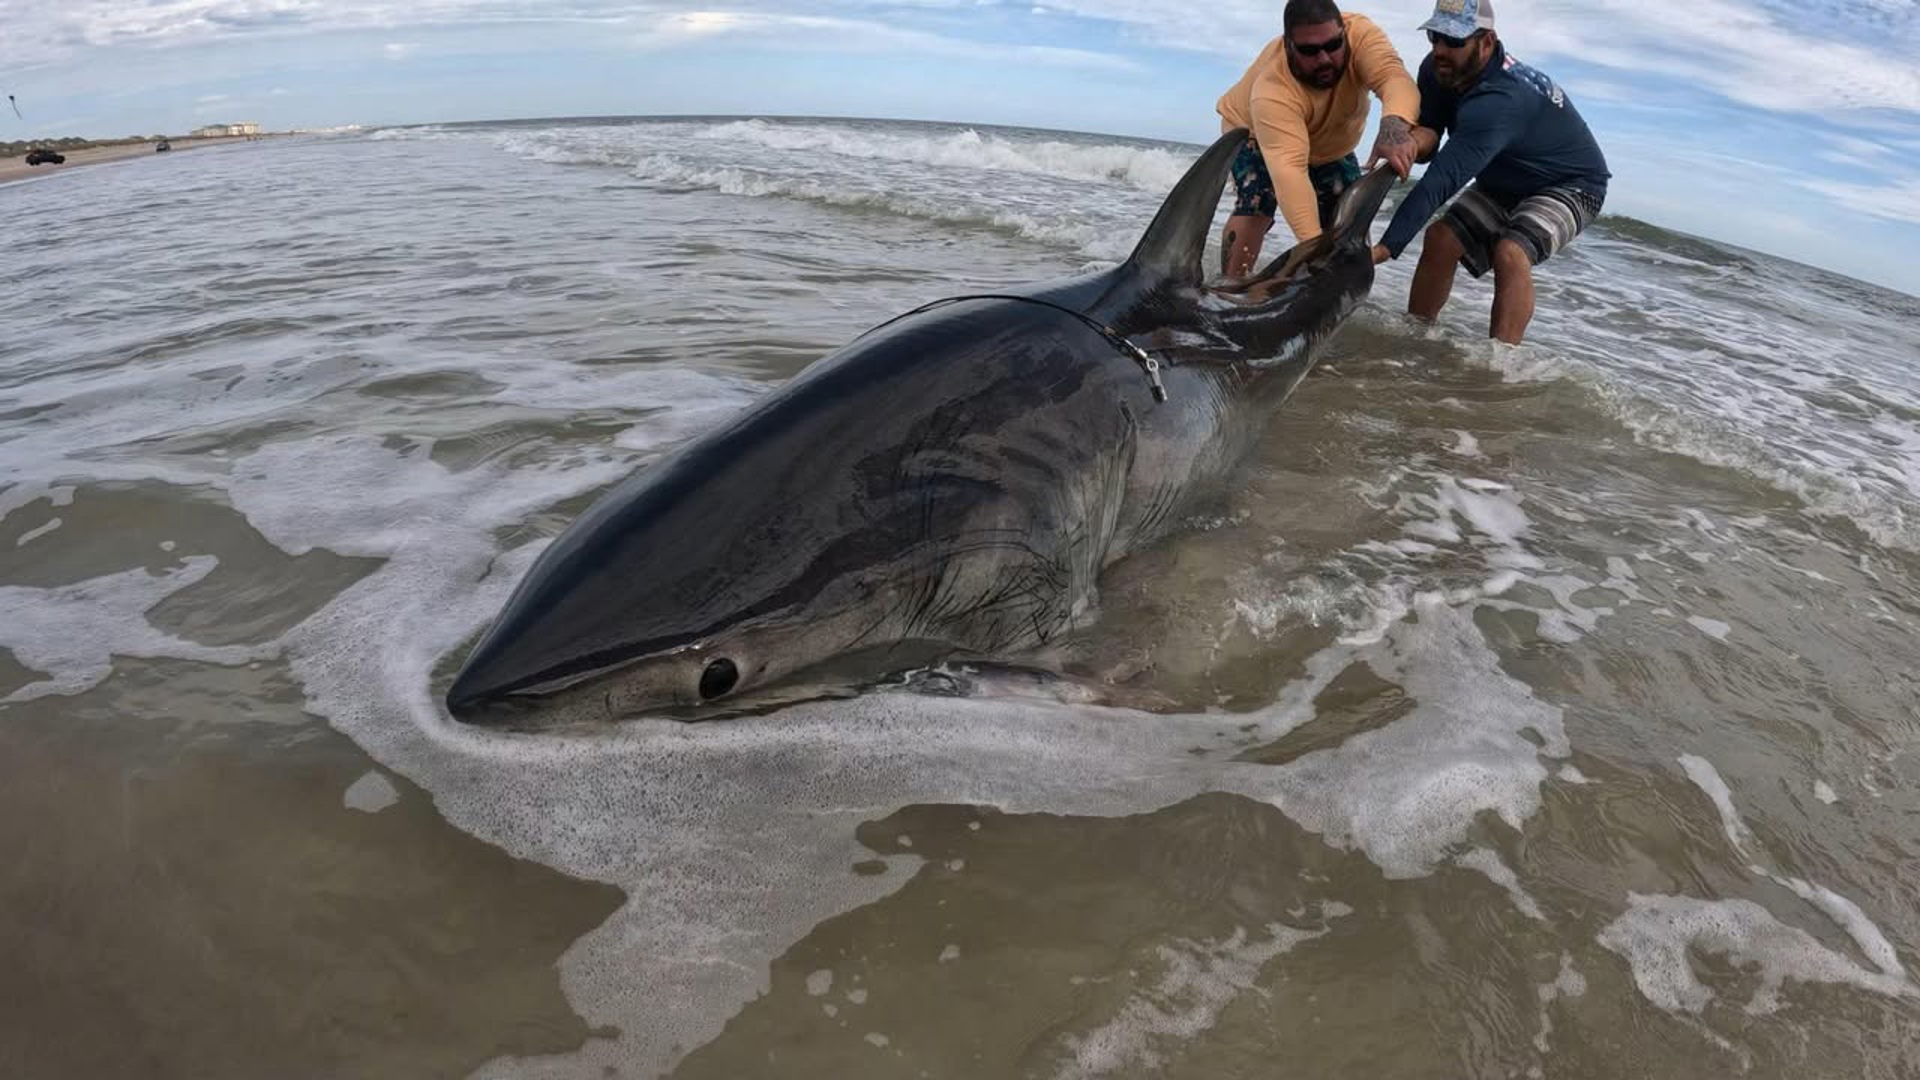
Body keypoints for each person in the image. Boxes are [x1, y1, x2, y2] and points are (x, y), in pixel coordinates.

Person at [1371, 0, 1610, 344]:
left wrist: (1385, 248)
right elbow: (1432, 134)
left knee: (1510, 252)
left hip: (1573, 185)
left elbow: (1439, 182)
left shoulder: (1501, 101)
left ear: (1486, 41)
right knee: (1440, 238)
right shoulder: (1438, 70)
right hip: (1505, 180)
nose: (1440, 49)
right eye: (1435, 37)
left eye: (1454, 41)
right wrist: (1407, 144)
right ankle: (1415, 338)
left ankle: (1499, 365)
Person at [1216, 0, 1420, 278]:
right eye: (1309, 51)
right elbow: (1289, 172)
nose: (1324, 58)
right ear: (1288, 45)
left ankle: (1345, 288)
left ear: (1342, 33)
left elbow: (1394, 79)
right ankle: (1230, 288)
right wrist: (1315, 255)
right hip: (1252, 132)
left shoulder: (1361, 35)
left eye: (1333, 45)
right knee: (1258, 200)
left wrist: (1392, 128)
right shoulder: (1273, 88)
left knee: (1348, 219)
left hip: (1328, 142)